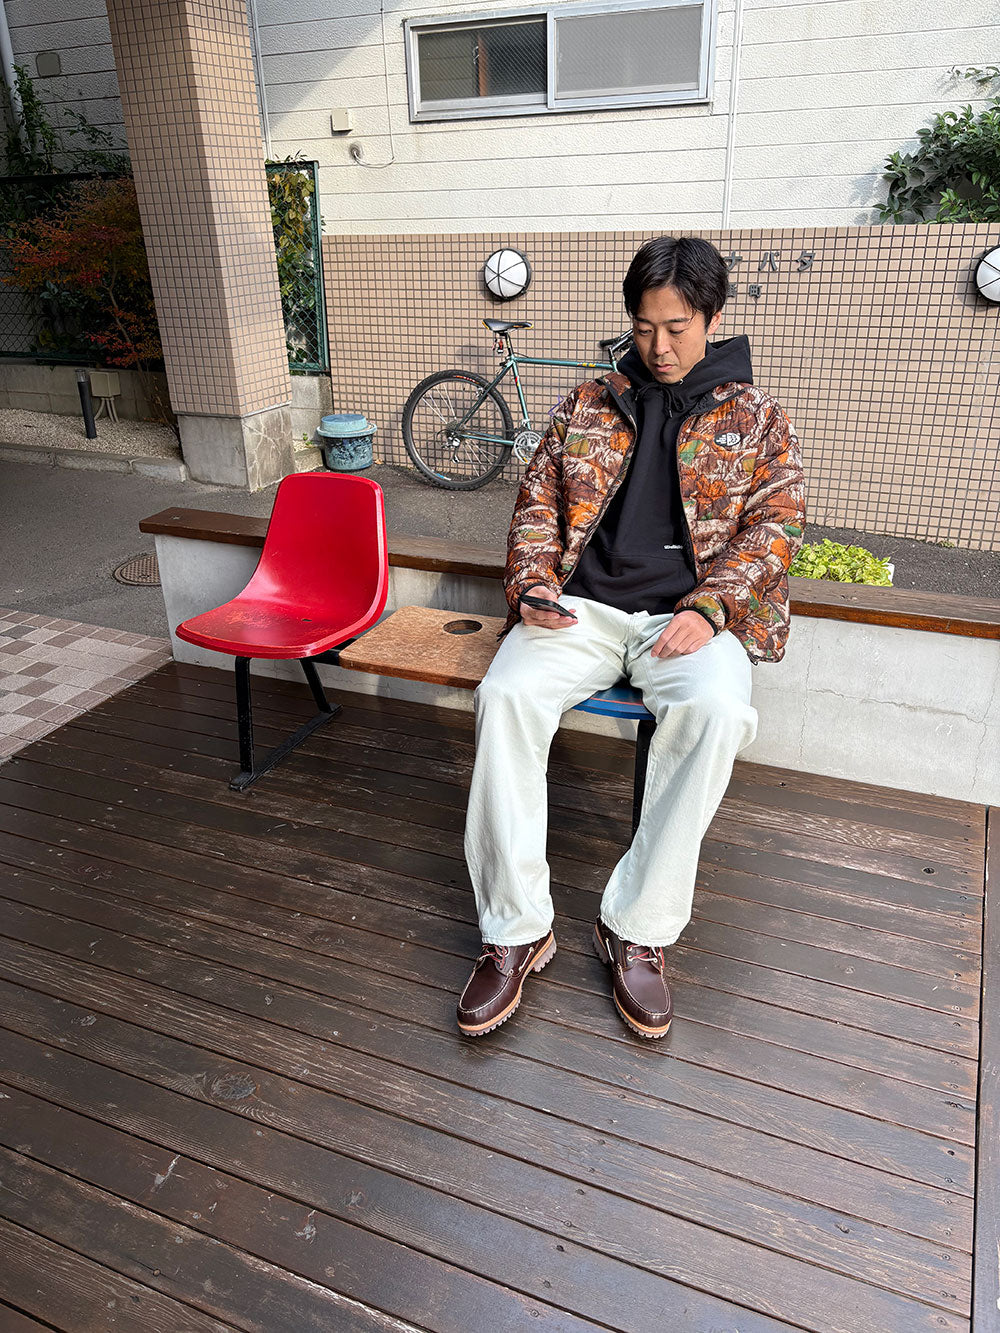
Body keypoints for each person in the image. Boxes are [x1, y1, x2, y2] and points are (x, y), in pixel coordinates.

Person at [457, 235, 806, 1040]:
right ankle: (516, 929)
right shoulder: (587, 401)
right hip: (580, 610)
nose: (659, 345)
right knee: (504, 694)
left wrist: (711, 608)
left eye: (677, 327)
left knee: (718, 712)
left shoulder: (758, 417)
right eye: (645, 327)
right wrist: (532, 584)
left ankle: (635, 926)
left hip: (687, 617)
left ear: (711, 317)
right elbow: (536, 502)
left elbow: (777, 525)